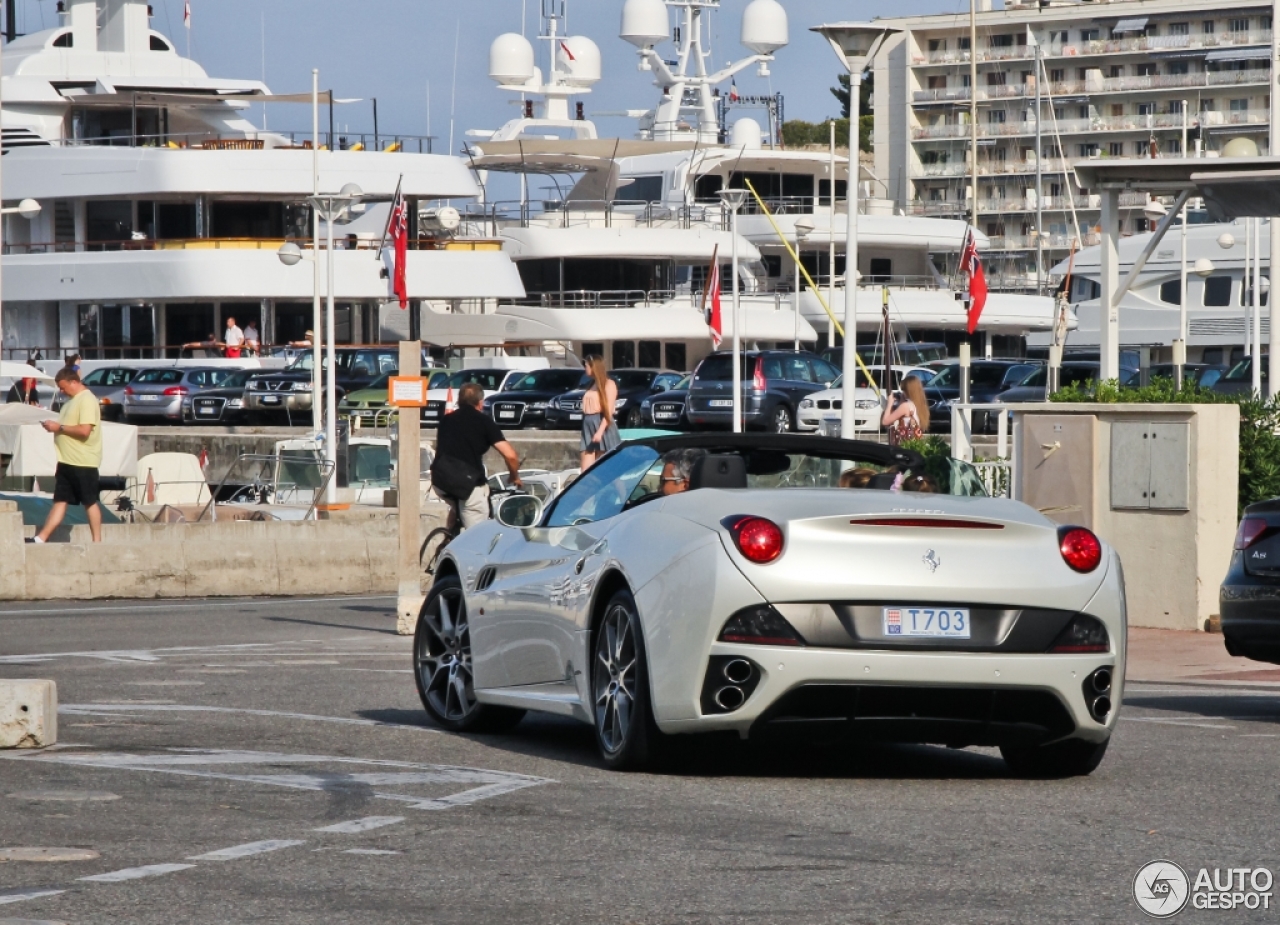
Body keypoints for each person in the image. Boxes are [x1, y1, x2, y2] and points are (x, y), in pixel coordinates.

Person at [430, 382, 523, 531]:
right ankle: (461, 549)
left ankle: (448, 538)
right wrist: (514, 476)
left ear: (459, 401)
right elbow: (510, 456)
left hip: (440, 481)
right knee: (478, 534)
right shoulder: (484, 422)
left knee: (458, 505)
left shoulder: (446, 420)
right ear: (481, 403)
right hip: (467, 484)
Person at [29, 368, 104, 544]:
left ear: (74, 382)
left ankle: (97, 542)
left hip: (83, 461)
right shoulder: (71, 401)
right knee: (60, 500)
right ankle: (41, 538)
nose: (61, 391)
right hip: (66, 460)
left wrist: (59, 428)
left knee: (89, 501)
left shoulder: (86, 400)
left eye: (63, 388)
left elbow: (85, 430)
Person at [580, 355, 620, 470]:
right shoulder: (591, 384)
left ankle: (620, 489)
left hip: (601, 426)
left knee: (607, 470)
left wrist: (599, 433)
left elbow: (608, 411)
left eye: (586, 366)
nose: (585, 368)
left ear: (594, 367)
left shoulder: (609, 384)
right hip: (588, 425)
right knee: (585, 472)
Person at [881, 374, 930, 447]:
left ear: (908, 390)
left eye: (904, 390)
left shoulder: (905, 406)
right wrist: (902, 400)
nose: (903, 392)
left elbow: (885, 421)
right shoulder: (919, 405)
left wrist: (890, 403)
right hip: (914, 444)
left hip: (904, 445)